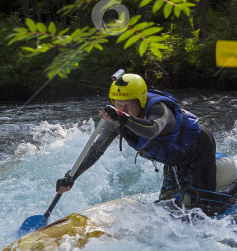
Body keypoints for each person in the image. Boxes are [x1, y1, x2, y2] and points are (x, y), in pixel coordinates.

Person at [55, 72, 224, 216]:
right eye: (118, 104)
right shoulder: (117, 118)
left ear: (141, 101)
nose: (122, 109)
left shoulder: (159, 110)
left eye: (127, 105)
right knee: (166, 206)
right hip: (173, 157)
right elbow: (96, 150)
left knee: (204, 209)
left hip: (197, 148)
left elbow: (151, 129)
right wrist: (71, 176)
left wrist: (123, 118)